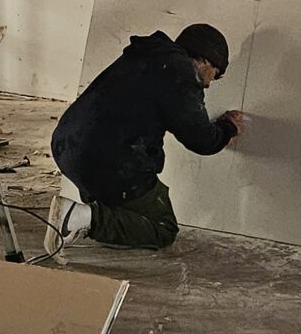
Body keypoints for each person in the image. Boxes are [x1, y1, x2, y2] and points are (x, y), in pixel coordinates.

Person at [49, 22, 245, 250]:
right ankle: (82, 218)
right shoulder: (180, 71)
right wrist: (227, 129)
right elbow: (200, 139)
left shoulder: (146, 55)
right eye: (215, 75)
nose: (209, 84)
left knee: (124, 214)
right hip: (107, 160)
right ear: (205, 61)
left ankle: (85, 216)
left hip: (66, 147)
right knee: (162, 227)